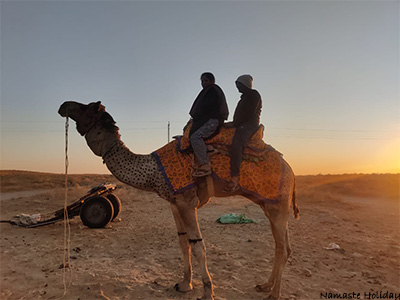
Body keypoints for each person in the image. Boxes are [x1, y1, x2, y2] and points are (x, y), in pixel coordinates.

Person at [225, 74, 262, 191]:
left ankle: (235, 177)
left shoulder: (253, 95)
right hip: (240, 124)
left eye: (239, 84)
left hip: (249, 125)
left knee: (237, 142)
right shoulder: (244, 97)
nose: (237, 87)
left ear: (245, 84)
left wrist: (234, 124)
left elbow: (248, 114)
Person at [188, 72, 229, 177]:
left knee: (195, 137)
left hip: (212, 120)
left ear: (212, 81)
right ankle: (210, 149)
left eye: (206, 81)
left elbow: (206, 107)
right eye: (202, 81)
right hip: (207, 119)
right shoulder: (208, 91)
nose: (203, 83)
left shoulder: (212, 91)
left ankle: (205, 166)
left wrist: (196, 116)